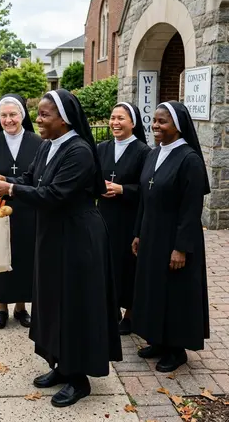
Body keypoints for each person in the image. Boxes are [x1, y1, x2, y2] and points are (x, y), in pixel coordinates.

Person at [0, 89, 122, 408]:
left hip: (78, 237)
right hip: (54, 235)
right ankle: (60, 364)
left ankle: (78, 378)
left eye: (44, 115)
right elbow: (33, 178)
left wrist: (12, 188)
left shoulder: (79, 152)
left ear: (65, 120)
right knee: (53, 300)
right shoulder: (47, 146)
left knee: (73, 303)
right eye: (38, 114)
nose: (37, 120)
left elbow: (55, 194)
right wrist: (5, 181)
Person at [132, 101, 210, 373]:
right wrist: (138, 233)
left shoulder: (189, 160)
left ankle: (177, 350)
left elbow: (192, 209)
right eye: (153, 120)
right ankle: (159, 340)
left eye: (162, 122)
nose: (155, 126)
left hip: (175, 237)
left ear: (177, 126)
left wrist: (181, 248)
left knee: (175, 293)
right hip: (152, 234)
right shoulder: (154, 154)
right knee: (154, 288)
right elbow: (145, 196)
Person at [0, 94, 42, 329]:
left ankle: (21, 307)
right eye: (3, 115)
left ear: (22, 115)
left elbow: (38, 180)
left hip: (28, 210)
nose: (8, 120)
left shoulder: (38, 142)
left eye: (13, 114)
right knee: (0, 259)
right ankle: (1, 307)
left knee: (24, 258)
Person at [97, 103, 150, 335]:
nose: (115, 123)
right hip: (105, 215)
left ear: (133, 123)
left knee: (128, 265)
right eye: (112, 118)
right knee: (107, 263)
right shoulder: (102, 148)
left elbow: (148, 188)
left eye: (121, 118)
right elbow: (91, 177)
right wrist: (97, 188)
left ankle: (129, 314)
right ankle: (111, 311)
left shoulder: (143, 151)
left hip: (129, 217)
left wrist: (122, 190)